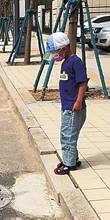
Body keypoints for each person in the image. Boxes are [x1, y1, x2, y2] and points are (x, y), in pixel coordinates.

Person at [45, 32, 88, 175]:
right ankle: (72, 159)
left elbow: (82, 83)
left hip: (73, 107)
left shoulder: (75, 62)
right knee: (69, 134)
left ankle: (69, 164)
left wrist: (78, 101)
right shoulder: (66, 62)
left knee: (67, 136)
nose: (54, 55)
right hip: (67, 106)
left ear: (64, 48)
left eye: (55, 52)